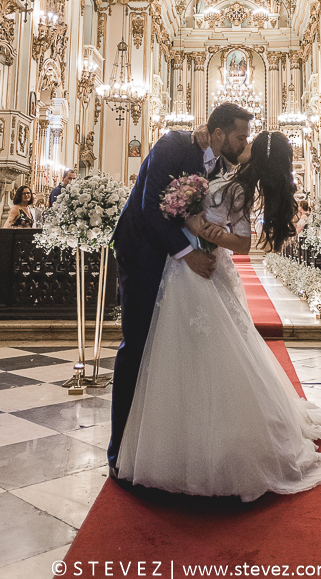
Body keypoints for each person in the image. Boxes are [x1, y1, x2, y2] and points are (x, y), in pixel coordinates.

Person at [116, 131, 321, 500]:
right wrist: (190, 223)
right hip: (178, 266)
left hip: (199, 266)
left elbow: (242, 242)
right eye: (242, 137)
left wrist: (202, 230)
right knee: (183, 353)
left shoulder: (239, 188)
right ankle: (184, 435)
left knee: (204, 352)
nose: (243, 144)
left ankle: (205, 447)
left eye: (249, 141)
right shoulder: (223, 170)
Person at [107, 103, 253, 472]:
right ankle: (120, 451)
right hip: (143, 254)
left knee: (173, 352)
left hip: (181, 271)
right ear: (219, 134)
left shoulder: (221, 168)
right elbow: (147, 207)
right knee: (137, 346)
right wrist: (188, 253)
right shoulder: (173, 144)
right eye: (240, 136)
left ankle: (167, 445)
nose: (243, 142)